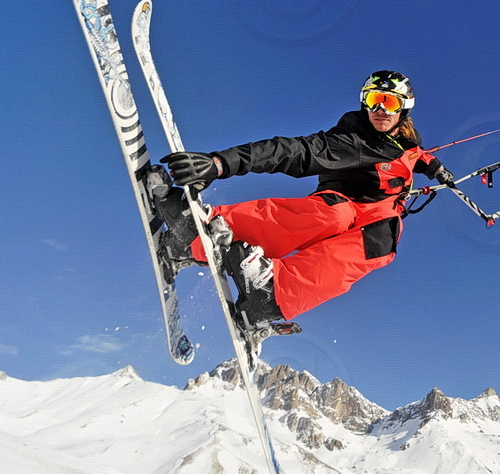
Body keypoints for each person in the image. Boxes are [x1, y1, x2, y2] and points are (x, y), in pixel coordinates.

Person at [156, 70, 454, 332]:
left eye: (389, 102)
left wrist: (435, 167)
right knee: (335, 215)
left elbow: (415, 154)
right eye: (374, 99)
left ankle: (269, 299)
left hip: (378, 211)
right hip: (343, 202)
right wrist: (222, 163)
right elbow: (294, 151)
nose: (380, 109)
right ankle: (196, 235)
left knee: (384, 241)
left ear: (404, 108)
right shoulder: (352, 140)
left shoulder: (405, 140)